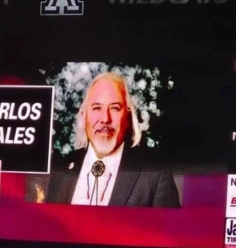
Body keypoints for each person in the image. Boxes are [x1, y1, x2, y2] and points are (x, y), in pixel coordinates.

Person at [45, 72, 181, 208]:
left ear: (128, 118)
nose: (105, 119)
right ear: (84, 115)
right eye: (97, 108)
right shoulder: (60, 169)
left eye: (115, 108)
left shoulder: (156, 174)